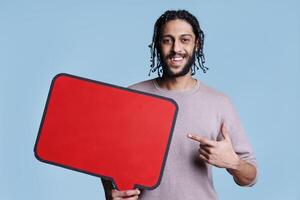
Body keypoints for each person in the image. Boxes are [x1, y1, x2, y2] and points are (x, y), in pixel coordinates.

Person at [101, 9, 258, 200]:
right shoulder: (130, 96)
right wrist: (111, 194)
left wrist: (234, 163)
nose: (176, 48)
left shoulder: (219, 102)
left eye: (184, 39)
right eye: (167, 40)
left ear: (197, 44)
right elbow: (107, 158)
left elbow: (250, 176)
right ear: (157, 45)